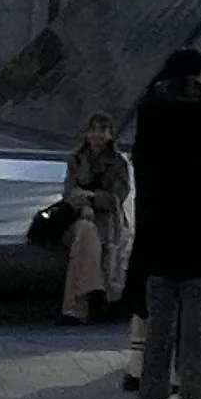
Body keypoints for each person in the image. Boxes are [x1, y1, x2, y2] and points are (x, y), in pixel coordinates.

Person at [133, 49, 201, 399]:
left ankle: (151, 388)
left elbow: (142, 169)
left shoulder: (151, 110)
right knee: (198, 314)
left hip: (159, 226)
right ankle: (193, 389)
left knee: (159, 313)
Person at [60, 113, 132, 323]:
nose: (97, 135)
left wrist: (89, 198)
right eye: (93, 130)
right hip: (77, 220)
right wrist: (84, 207)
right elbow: (68, 192)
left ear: (110, 135)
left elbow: (117, 197)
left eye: (102, 130)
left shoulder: (119, 163)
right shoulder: (76, 159)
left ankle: (75, 306)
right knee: (85, 231)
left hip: (109, 223)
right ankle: (99, 296)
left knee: (87, 237)